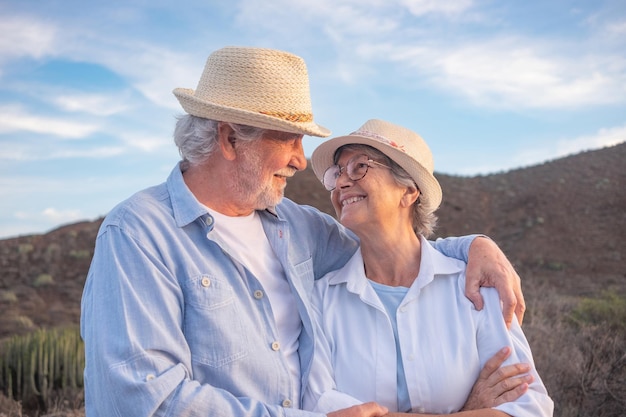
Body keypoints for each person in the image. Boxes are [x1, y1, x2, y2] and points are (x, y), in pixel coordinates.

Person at [80, 47, 526, 417]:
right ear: (230, 139)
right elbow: (140, 402)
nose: (300, 160)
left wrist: (476, 247)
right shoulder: (137, 234)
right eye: (288, 138)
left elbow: (393, 246)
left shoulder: (296, 226)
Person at [303, 119, 554, 416]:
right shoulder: (319, 299)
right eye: (338, 172)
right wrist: (467, 410)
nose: (342, 182)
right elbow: (317, 406)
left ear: (409, 191)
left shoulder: (474, 288)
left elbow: (529, 407)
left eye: (359, 167)